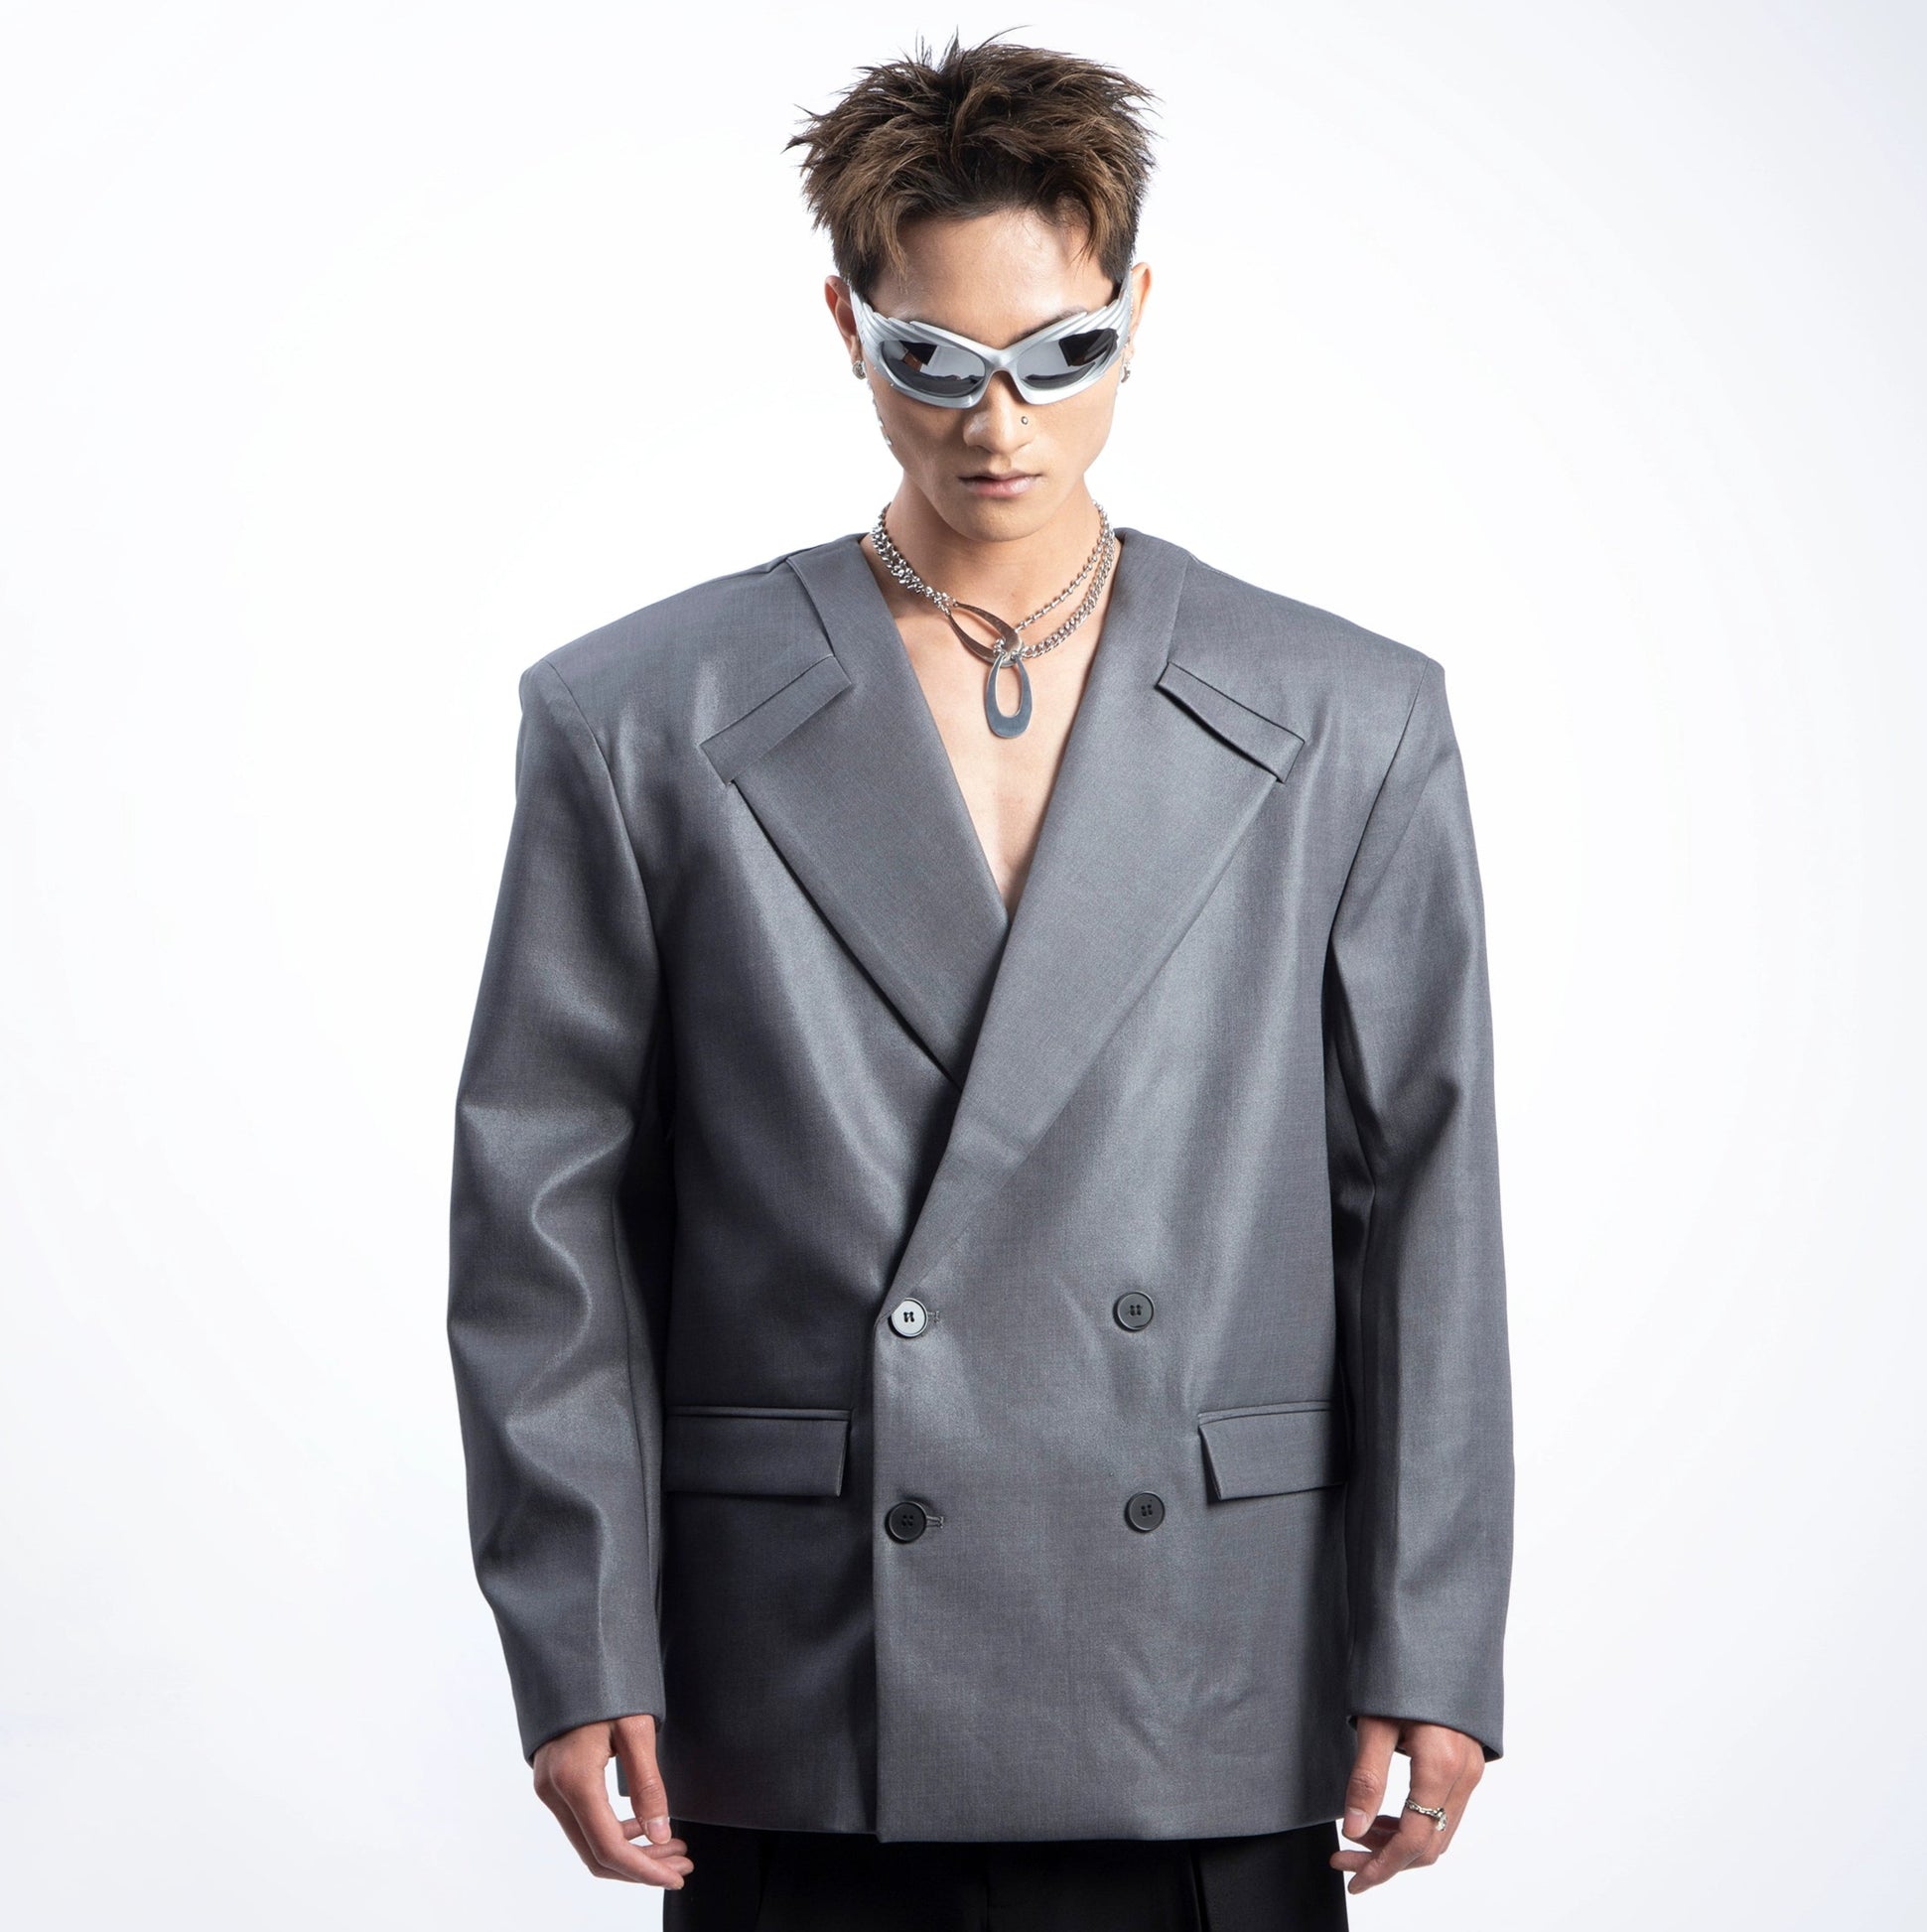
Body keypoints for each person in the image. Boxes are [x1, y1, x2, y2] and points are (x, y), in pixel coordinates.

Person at [447, 31, 1514, 1930]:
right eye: (933, 360)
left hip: (1200, 1664)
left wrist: (1431, 1634)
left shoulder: (1348, 717)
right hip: (804, 1670)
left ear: (1137, 316)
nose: (999, 423)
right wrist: (573, 1626)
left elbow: (1421, 1199)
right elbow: (543, 1210)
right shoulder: (636, 717)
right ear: (844, 328)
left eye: (1060, 353)